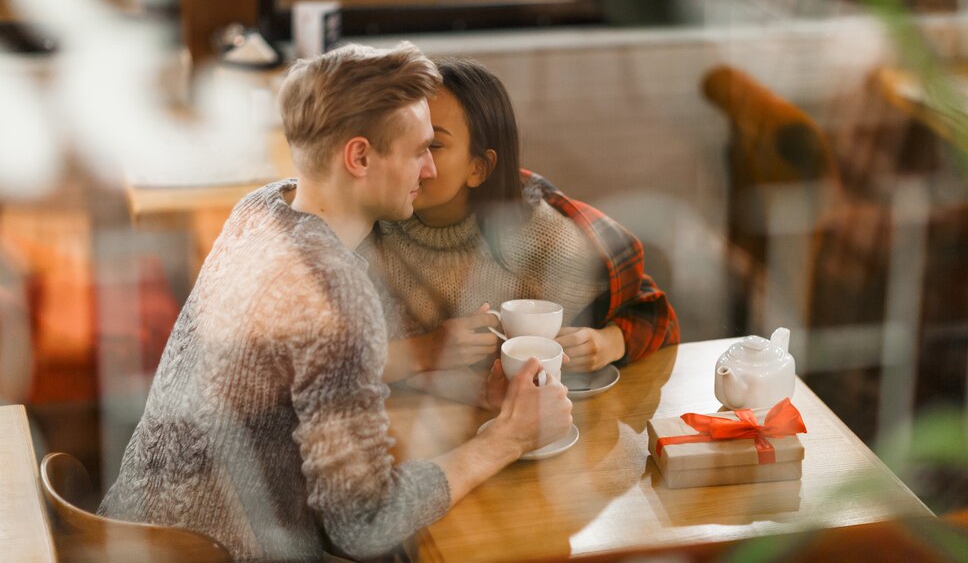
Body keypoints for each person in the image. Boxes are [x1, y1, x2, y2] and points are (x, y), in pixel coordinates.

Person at [98, 43, 573, 562]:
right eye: (419, 151)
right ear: (360, 156)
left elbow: (303, 374)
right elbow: (364, 524)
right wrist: (508, 438)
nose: (430, 172)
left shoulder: (261, 209)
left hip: (128, 529)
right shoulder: (335, 290)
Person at [362, 57, 679, 397]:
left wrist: (608, 342)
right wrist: (424, 351)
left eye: (433, 145)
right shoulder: (370, 222)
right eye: (400, 136)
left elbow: (655, 313)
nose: (407, 157)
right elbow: (316, 360)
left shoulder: (546, 239)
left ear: (478, 168)